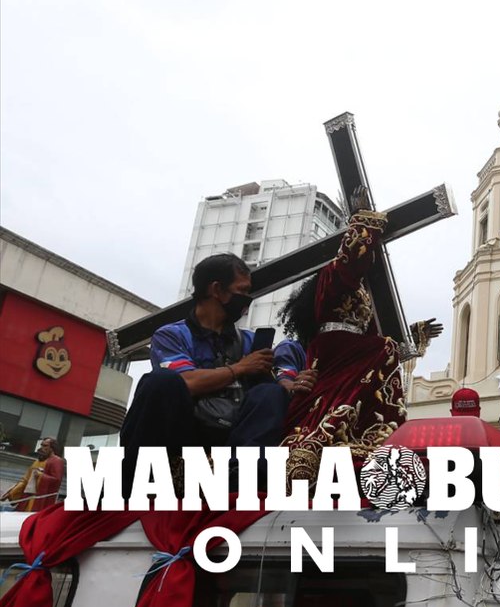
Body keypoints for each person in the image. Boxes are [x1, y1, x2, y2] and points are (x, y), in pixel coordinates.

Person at [277, 194, 442, 482]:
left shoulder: (365, 293)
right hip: (336, 357)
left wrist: (412, 336)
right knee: (381, 349)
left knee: (384, 347)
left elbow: (374, 337)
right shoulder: (333, 278)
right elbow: (350, 261)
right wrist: (363, 218)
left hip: (355, 359)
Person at [121, 254, 315, 492]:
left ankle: (243, 478)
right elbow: (186, 382)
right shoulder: (172, 335)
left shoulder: (248, 342)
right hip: (186, 434)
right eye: (242, 290)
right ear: (216, 290)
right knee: (160, 382)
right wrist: (239, 368)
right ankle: (134, 480)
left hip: (233, 440)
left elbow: (281, 365)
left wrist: (288, 381)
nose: (247, 299)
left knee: (270, 393)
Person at [2, 437, 65, 511]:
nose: (41, 448)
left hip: (40, 501)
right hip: (27, 499)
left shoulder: (57, 461)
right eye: (41, 445)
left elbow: (56, 480)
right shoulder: (37, 462)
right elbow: (25, 480)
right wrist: (11, 492)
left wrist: (40, 475)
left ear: (52, 448)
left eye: (45, 446)